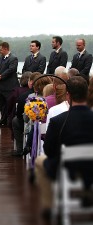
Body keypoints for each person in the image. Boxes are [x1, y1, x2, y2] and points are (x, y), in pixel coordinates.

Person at [35, 76, 93, 220]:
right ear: (86, 94)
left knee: (39, 161)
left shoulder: (57, 120)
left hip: (67, 167)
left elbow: (49, 150)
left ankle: (49, 206)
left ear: (68, 95)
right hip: (91, 165)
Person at [0, 42, 19, 127]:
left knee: (10, 105)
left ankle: (10, 122)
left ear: (5, 49)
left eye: (0, 49)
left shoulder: (13, 58)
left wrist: (1, 76)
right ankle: (3, 120)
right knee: (2, 105)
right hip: (0, 86)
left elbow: (11, 69)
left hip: (9, 87)